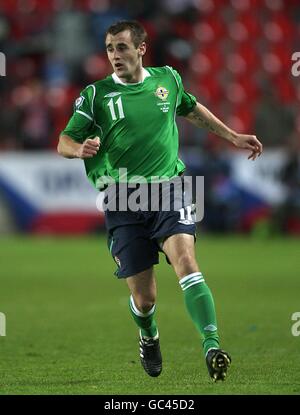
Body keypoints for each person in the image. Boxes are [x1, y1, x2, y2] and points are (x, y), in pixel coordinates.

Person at [57, 20, 263, 382]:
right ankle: (148, 334)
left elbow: (192, 108)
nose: (114, 56)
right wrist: (79, 149)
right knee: (146, 298)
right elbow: (64, 140)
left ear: (141, 49)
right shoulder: (96, 95)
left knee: (186, 261)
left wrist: (232, 136)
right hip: (122, 198)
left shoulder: (168, 79)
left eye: (121, 47)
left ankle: (212, 345)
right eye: (109, 48)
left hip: (169, 189)